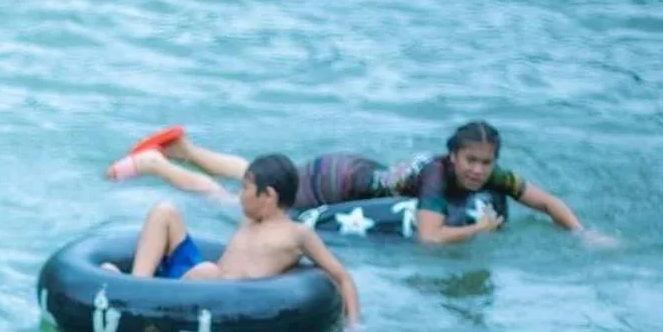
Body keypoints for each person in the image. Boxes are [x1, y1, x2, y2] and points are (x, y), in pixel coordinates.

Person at [106, 121, 613, 246]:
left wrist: (581, 232)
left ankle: (187, 150)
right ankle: (157, 166)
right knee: (238, 199)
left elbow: (544, 200)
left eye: (486, 163)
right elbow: (431, 237)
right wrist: (479, 231)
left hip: (352, 170)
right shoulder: (439, 176)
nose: (479, 172)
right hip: (334, 184)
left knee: (254, 176)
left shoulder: (486, 173)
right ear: (453, 156)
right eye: (471, 162)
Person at [102, 155, 363, 327]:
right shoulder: (249, 219)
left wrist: (354, 323)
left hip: (218, 298)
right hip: (194, 281)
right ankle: (134, 290)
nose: (240, 196)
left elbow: (341, 276)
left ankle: (136, 305)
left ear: (268, 195)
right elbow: (206, 188)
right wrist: (164, 166)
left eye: (246, 188)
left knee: (209, 271)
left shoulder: (298, 234)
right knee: (164, 211)